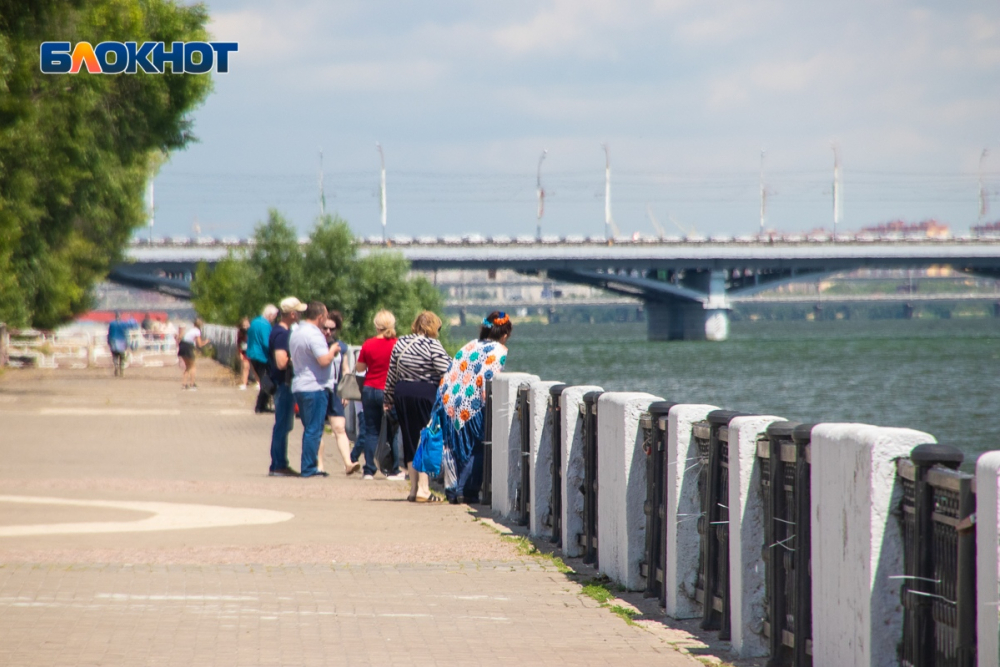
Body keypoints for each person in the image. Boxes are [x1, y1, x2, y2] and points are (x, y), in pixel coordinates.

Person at [436, 310, 511, 504]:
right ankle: (467, 491)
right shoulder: (499, 350)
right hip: (473, 406)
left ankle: (452, 489)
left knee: (455, 447)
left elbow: (451, 371)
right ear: (504, 334)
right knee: (477, 448)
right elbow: (489, 379)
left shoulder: (470, 344)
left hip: (451, 402)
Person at [383, 311, 451, 502]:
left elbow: (392, 373)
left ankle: (413, 489)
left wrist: (387, 398)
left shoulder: (401, 342)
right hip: (424, 394)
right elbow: (446, 369)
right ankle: (423, 489)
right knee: (426, 438)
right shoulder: (433, 345)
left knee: (410, 439)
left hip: (402, 393)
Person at [289, 301, 342, 478]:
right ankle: (309, 468)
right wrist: (333, 349)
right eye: (325, 317)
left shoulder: (296, 332)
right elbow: (323, 360)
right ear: (320, 317)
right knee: (314, 429)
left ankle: (308, 465)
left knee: (309, 427)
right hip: (315, 386)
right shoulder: (314, 335)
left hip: (300, 384)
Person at [354, 310, 398, 480]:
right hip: (388, 391)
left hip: (369, 389)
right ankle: (393, 469)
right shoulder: (397, 344)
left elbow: (359, 368)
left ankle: (369, 470)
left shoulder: (368, 344)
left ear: (376, 326)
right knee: (392, 430)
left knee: (371, 430)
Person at [267, 297, 306, 476]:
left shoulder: (280, 331)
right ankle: (279, 465)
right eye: (298, 312)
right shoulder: (282, 334)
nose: (300, 315)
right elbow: (282, 362)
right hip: (284, 384)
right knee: (283, 424)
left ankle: (279, 463)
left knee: (283, 424)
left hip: (282, 384)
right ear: (292, 314)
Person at [322, 310, 360, 475]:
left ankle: (348, 463)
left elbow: (345, 369)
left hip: (335, 391)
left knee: (339, 427)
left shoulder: (341, 347)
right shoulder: (316, 344)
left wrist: (345, 392)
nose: (328, 332)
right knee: (317, 429)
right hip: (319, 389)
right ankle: (319, 465)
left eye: (332, 329)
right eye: (325, 328)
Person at [247, 304, 279, 413]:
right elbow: (267, 342)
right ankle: (260, 406)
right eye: (274, 316)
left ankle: (261, 405)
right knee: (267, 380)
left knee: (264, 379)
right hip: (262, 356)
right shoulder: (265, 325)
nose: (274, 318)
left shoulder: (255, 322)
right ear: (270, 315)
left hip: (253, 354)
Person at [178, 317, 208, 390]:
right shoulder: (197, 331)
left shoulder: (190, 330)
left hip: (182, 346)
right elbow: (200, 344)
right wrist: (206, 342)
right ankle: (192, 384)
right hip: (188, 347)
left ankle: (184, 384)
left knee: (188, 367)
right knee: (192, 366)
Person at [107, 311, 129, 378]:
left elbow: (109, 333)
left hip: (113, 341)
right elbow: (126, 334)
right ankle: (122, 370)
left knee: (115, 356)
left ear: (115, 316)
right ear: (120, 316)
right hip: (122, 341)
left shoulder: (111, 324)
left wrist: (108, 341)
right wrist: (127, 343)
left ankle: (116, 367)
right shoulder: (124, 324)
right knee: (122, 357)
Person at [236, 317, 254, 390]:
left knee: (254, 367)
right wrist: (239, 352)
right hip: (244, 351)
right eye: (244, 325)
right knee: (245, 367)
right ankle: (244, 383)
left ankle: (259, 382)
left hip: (252, 350)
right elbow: (239, 343)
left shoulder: (252, 332)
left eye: (247, 324)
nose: (246, 326)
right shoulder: (240, 333)